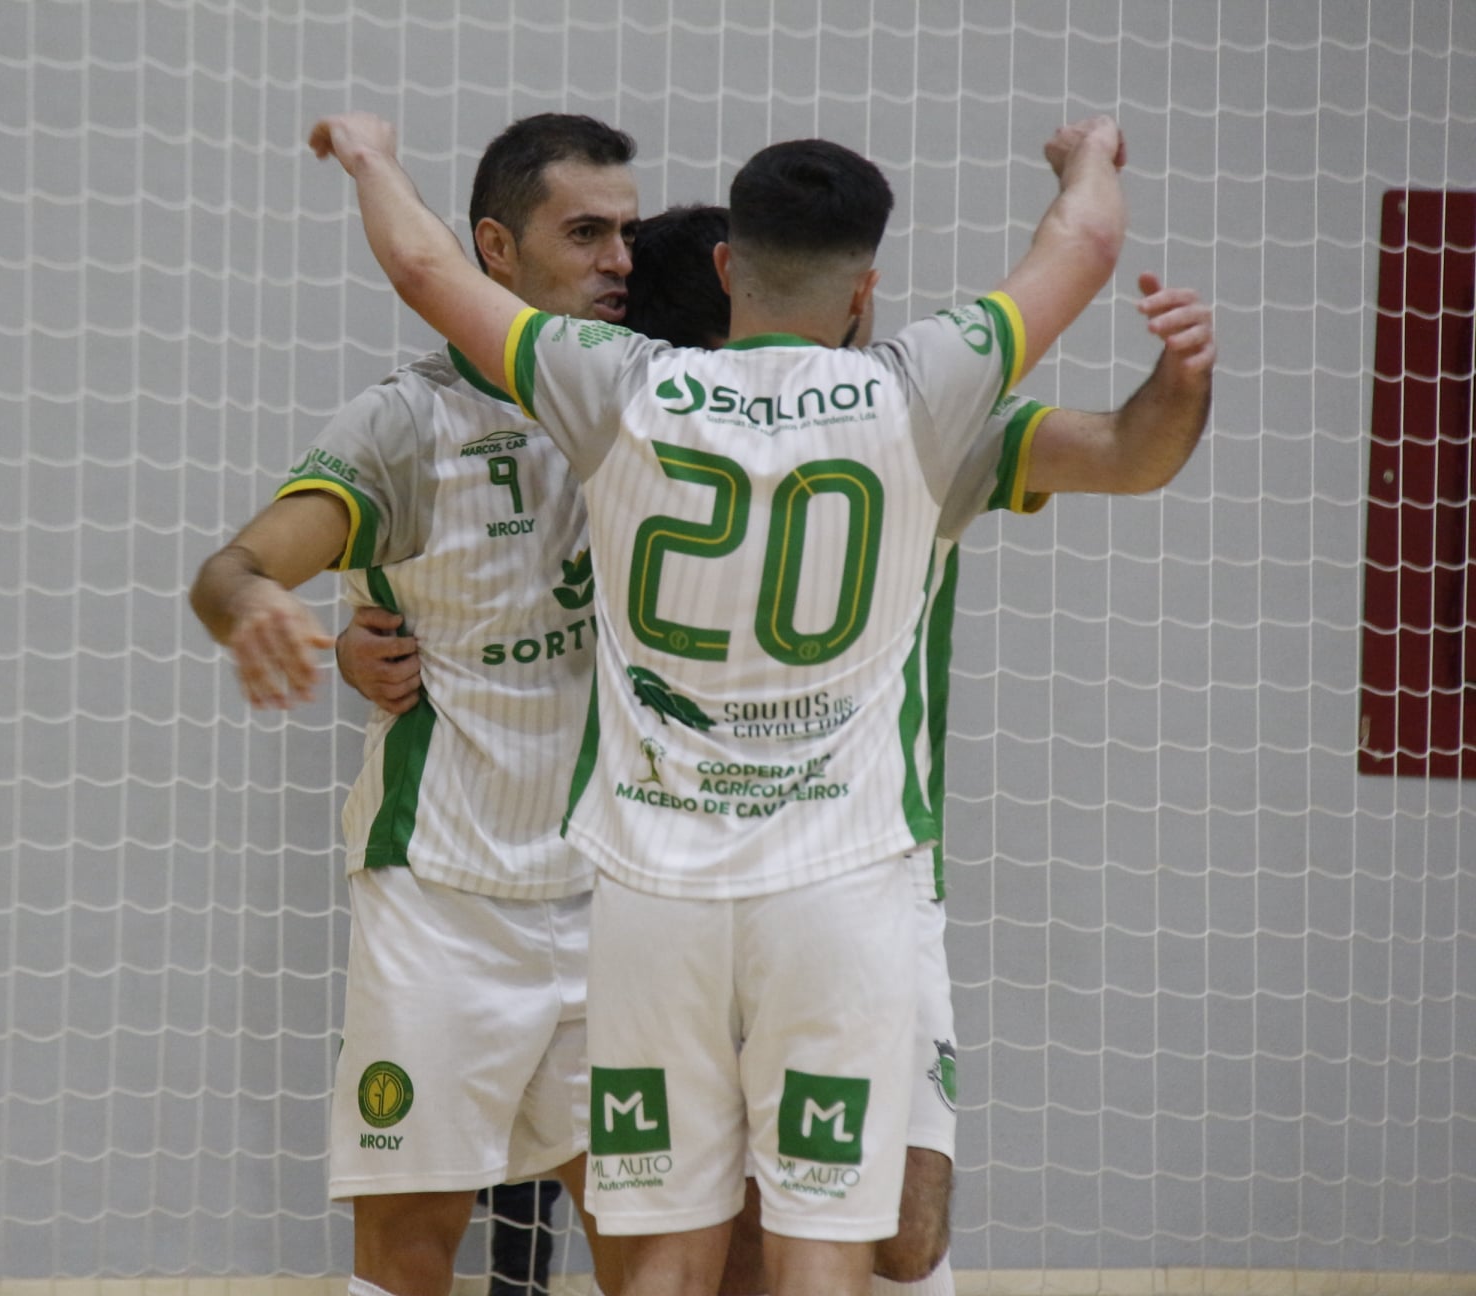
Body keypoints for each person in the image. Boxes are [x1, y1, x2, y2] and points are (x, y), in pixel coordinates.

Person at [309, 109, 1133, 1296]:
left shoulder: (633, 395)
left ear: (728, 271)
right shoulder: (917, 397)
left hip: (725, 887)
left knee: (782, 1238)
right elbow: (1091, 293)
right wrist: (1093, 167)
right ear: (865, 286)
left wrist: (373, 156)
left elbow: (427, 268)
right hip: (752, 879)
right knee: (804, 1235)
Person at [190, 113, 641, 1296]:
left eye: (628, 234)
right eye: (585, 232)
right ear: (494, 248)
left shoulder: (654, 397)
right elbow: (232, 569)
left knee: (671, 1259)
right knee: (405, 1259)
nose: (619, 261)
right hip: (441, 904)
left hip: (623, 903)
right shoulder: (405, 423)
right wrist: (261, 613)